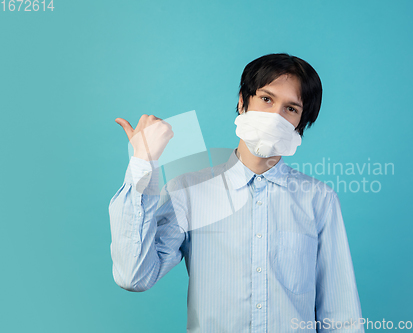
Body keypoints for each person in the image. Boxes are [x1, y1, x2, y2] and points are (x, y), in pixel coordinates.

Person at [110, 53, 364, 332]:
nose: (275, 116)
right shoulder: (189, 191)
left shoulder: (318, 199)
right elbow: (134, 276)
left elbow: (341, 318)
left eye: (291, 108)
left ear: (300, 123)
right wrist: (143, 164)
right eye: (266, 99)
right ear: (243, 102)